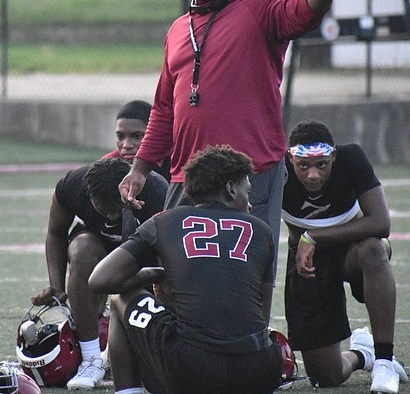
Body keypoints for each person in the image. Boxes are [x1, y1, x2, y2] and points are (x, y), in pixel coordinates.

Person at [119, 0, 353, 271]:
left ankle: (254, 329)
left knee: (251, 272)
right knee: (178, 271)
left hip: (251, 172)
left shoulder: (259, 9)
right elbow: (165, 110)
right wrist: (140, 169)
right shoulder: (177, 30)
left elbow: (303, 9)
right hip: (190, 174)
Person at [90, 145, 281, 394]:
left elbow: (99, 280)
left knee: (121, 299)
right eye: (249, 191)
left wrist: (154, 273)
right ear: (231, 189)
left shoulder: (164, 221)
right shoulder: (262, 230)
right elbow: (262, 316)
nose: (251, 204)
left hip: (192, 368)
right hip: (260, 369)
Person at [281, 120, 409, 393]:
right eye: (304, 165)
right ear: (290, 158)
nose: (313, 175)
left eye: (321, 165)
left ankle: (385, 361)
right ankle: (364, 354)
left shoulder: (351, 158)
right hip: (307, 263)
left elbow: (381, 222)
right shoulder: (275, 168)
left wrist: (313, 236)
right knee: (325, 378)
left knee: (374, 249)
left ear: (334, 157)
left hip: (352, 250)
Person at [32, 157, 167, 390]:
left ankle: (153, 350)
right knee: (81, 250)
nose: (110, 217)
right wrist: (57, 286)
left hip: (142, 253)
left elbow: (167, 251)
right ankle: (91, 357)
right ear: (88, 195)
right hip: (97, 246)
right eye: (103, 209)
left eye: (116, 209)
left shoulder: (156, 192)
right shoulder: (73, 185)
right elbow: (56, 233)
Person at [101, 100, 171, 182]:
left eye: (137, 136)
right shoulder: (107, 165)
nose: (127, 145)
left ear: (153, 135)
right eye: (120, 136)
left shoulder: (174, 163)